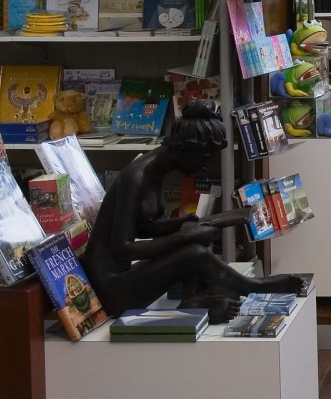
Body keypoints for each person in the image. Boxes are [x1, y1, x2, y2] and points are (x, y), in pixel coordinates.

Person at [79, 103, 306, 319]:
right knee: (194, 252)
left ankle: (194, 299)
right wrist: (184, 236)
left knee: (196, 230)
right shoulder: (136, 176)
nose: (204, 167)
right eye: (205, 158)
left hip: (122, 277)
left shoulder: (156, 172)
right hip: (111, 290)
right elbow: (123, 249)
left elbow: (145, 227)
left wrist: (185, 224)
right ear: (188, 149)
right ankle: (253, 287)